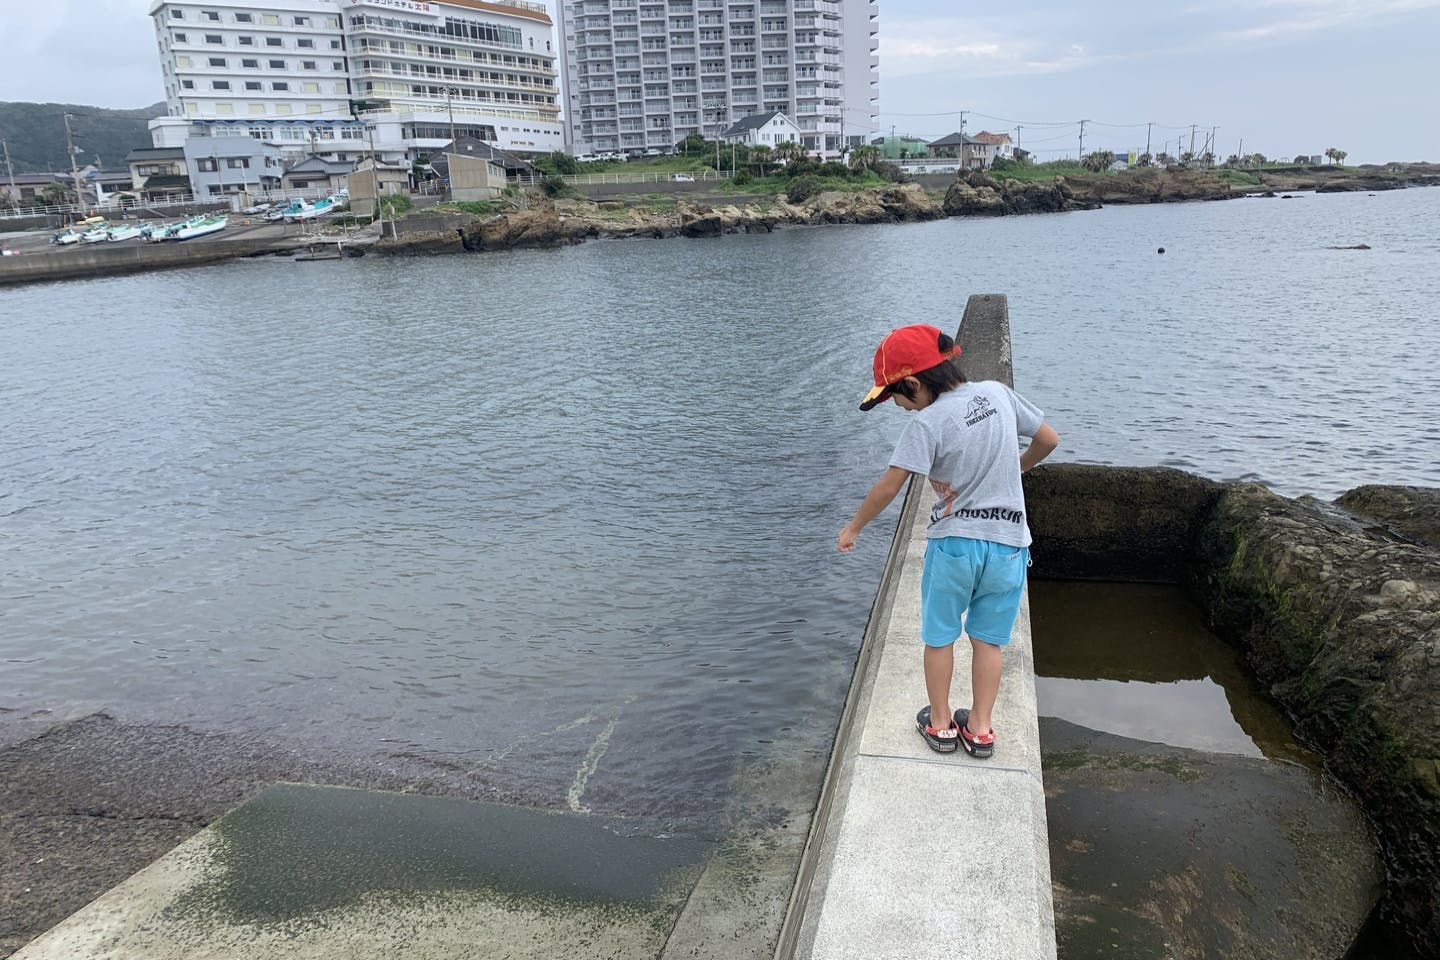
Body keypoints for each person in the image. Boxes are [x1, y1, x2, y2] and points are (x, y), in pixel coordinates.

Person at [837, 324, 1059, 757]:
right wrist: (1017, 468)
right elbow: (1048, 439)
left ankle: (940, 725)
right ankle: (979, 729)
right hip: (1009, 544)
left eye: (895, 397)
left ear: (914, 383)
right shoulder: (998, 393)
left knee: (939, 637)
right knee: (988, 640)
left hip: (955, 544)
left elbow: (890, 485)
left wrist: (854, 528)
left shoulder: (928, 422)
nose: (898, 407)